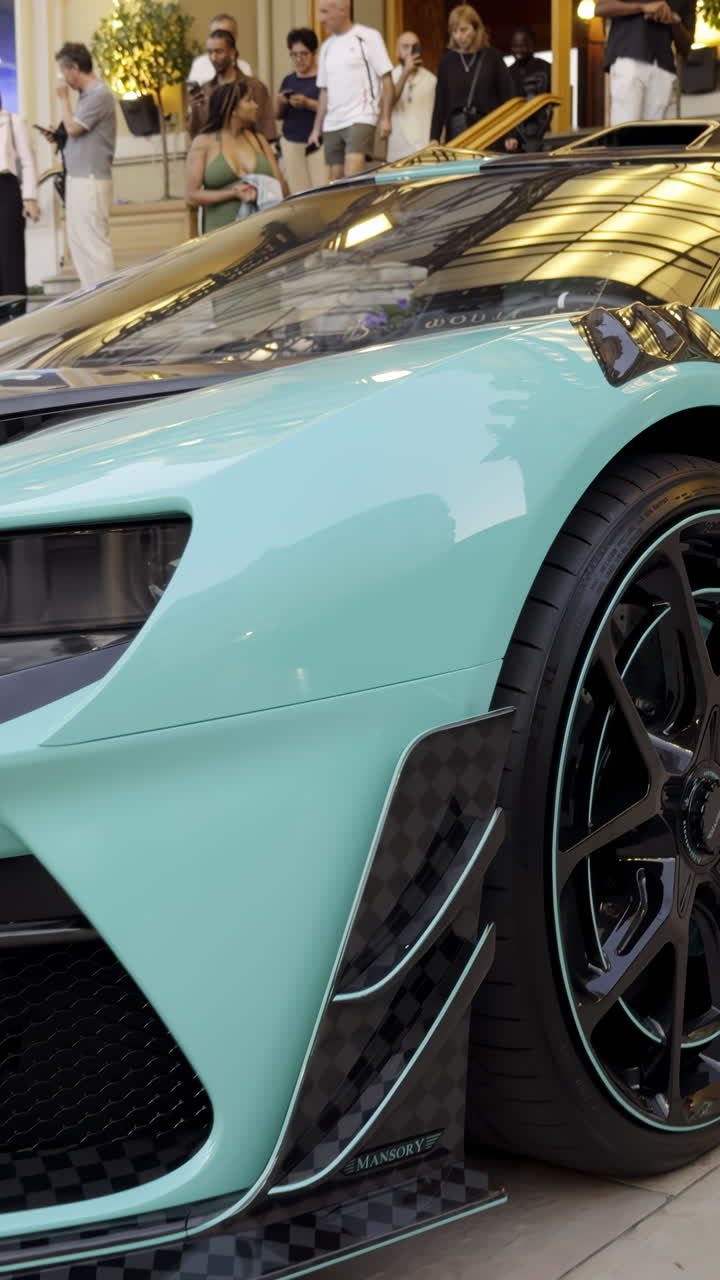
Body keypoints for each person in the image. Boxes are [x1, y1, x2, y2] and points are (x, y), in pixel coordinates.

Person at [54, 42, 116, 290]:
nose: (62, 78)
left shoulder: (100, 94)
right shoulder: (86, 97)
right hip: (78, 178)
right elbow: (72, 132)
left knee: (95, 245)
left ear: (74, 68)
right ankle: (91, 299)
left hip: (90, 180)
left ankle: (108, 304)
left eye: (63, 71)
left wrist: (62, 100)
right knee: (79, 244)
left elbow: (73, 128)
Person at [308, 0, 394, 179]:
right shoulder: (326, 47)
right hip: (333, 122)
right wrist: (316, 129)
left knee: (351, 173)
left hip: (361, 115)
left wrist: (386, 117)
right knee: (336, 181)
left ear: (342, 10)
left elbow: (386, 79)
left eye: (324, 12)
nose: (320, 19)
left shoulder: (368, 36)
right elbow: (324, 91)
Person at [186, 79, 284, 234]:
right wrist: (232, 193)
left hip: (262, 233)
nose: (256, 106)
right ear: (233, 110)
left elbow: (281, 186)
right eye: (249, 101)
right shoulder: (203, 143)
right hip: (221, 236)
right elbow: (191, 196)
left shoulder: (259, 140)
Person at [430, 5, 516, 146]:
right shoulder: (446, 62)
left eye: (464, 30)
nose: (459, 36)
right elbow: (440, 103)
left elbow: (507, 98)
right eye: (454, 31)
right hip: (457, 134)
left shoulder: (492, 57)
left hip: (490, 130)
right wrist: (434, 137)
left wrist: (511, 133)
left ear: (476, 29)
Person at [596, 0, 694, 122]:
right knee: (625, 131)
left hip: (663, 67)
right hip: (629, 57)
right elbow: (601, 7)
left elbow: (686, 47)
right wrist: (643, 7)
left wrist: (673, 21)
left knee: (658, 137)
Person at [186, 28, 276, 143]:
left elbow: (266, 130)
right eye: (210, 52)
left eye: (219, 52)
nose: (213, 57)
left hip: (248, 153)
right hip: (213, 154)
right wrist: (194, 109)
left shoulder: (254, 87)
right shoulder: (205, 90)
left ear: (232, 52)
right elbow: (195, 134)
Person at [277, 28, 329, 192]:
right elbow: (277, 115)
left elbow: (334, 111)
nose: (298, 59)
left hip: (319, 144)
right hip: (291, 142)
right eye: (294, 54)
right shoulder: (289, 79)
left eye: (304, 54)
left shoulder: (324, 78)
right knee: (297, 193)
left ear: (314, 53)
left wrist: (307, 103)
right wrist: (280, 101)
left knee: (321, 191)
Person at [0, 96, 39, 307]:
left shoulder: (14, 121)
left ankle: (14, 313)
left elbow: (28, 162)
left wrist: (30, 197)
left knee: (10, 256)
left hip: (6, 190)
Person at [387, 31, 437, 162]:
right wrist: (405, 74)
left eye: (414, 46)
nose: (410, 51)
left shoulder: (431, 79)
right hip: (398, 152)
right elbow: (387, 105)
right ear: (397, 51)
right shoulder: (389, 78)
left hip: (425, 151)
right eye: (405, 46)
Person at [507, 26, 551, 151]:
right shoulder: (508, 73)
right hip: (515, 132)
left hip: (542, 129)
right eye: (515, 45)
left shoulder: (545, 68)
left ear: (533, 45)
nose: (519, 49)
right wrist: (510, 135)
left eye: (524, 45)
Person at [188, 13, 253, 83]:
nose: (219, 40)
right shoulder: (200, 65)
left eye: (224, 34)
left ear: (235, 36)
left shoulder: (245, 68)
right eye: (215, 34)